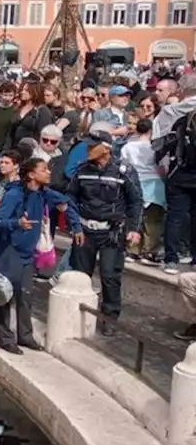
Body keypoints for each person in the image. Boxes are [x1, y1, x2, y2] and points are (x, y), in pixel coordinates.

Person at [0, 157, 81, 354]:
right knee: (5, 295)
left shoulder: (43, 194)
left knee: (25, 296)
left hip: (28, 254)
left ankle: (25, 336)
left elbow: (66, 203)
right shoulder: (14, 194)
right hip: (8, 252)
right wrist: (17, 224)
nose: (49, 172)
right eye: (44, 169)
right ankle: (5, 338)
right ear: (31, 174)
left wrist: (77, 227)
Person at [66, 132, 142, 336]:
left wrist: (134, 229)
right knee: (80, 275)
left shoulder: (123, 170)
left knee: (110, 276)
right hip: (85, 230)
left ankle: (109, 318)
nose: (88, 149)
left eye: (93, 146)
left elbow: (136, 201)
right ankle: (75, 312)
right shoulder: (82, 170)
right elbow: (71, 197)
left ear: (106, 148)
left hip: (112, 232)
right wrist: (75, 225)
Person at [120, 117, 165, 265]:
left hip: (134, 182)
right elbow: (162, 168)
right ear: (151, 131)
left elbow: (123, 166)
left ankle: (132, 250)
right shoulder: (155, 147)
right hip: (154, 184)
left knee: (134, 217)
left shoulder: (127, 147)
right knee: (152, 220)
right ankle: (149, 251)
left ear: (137, 130)